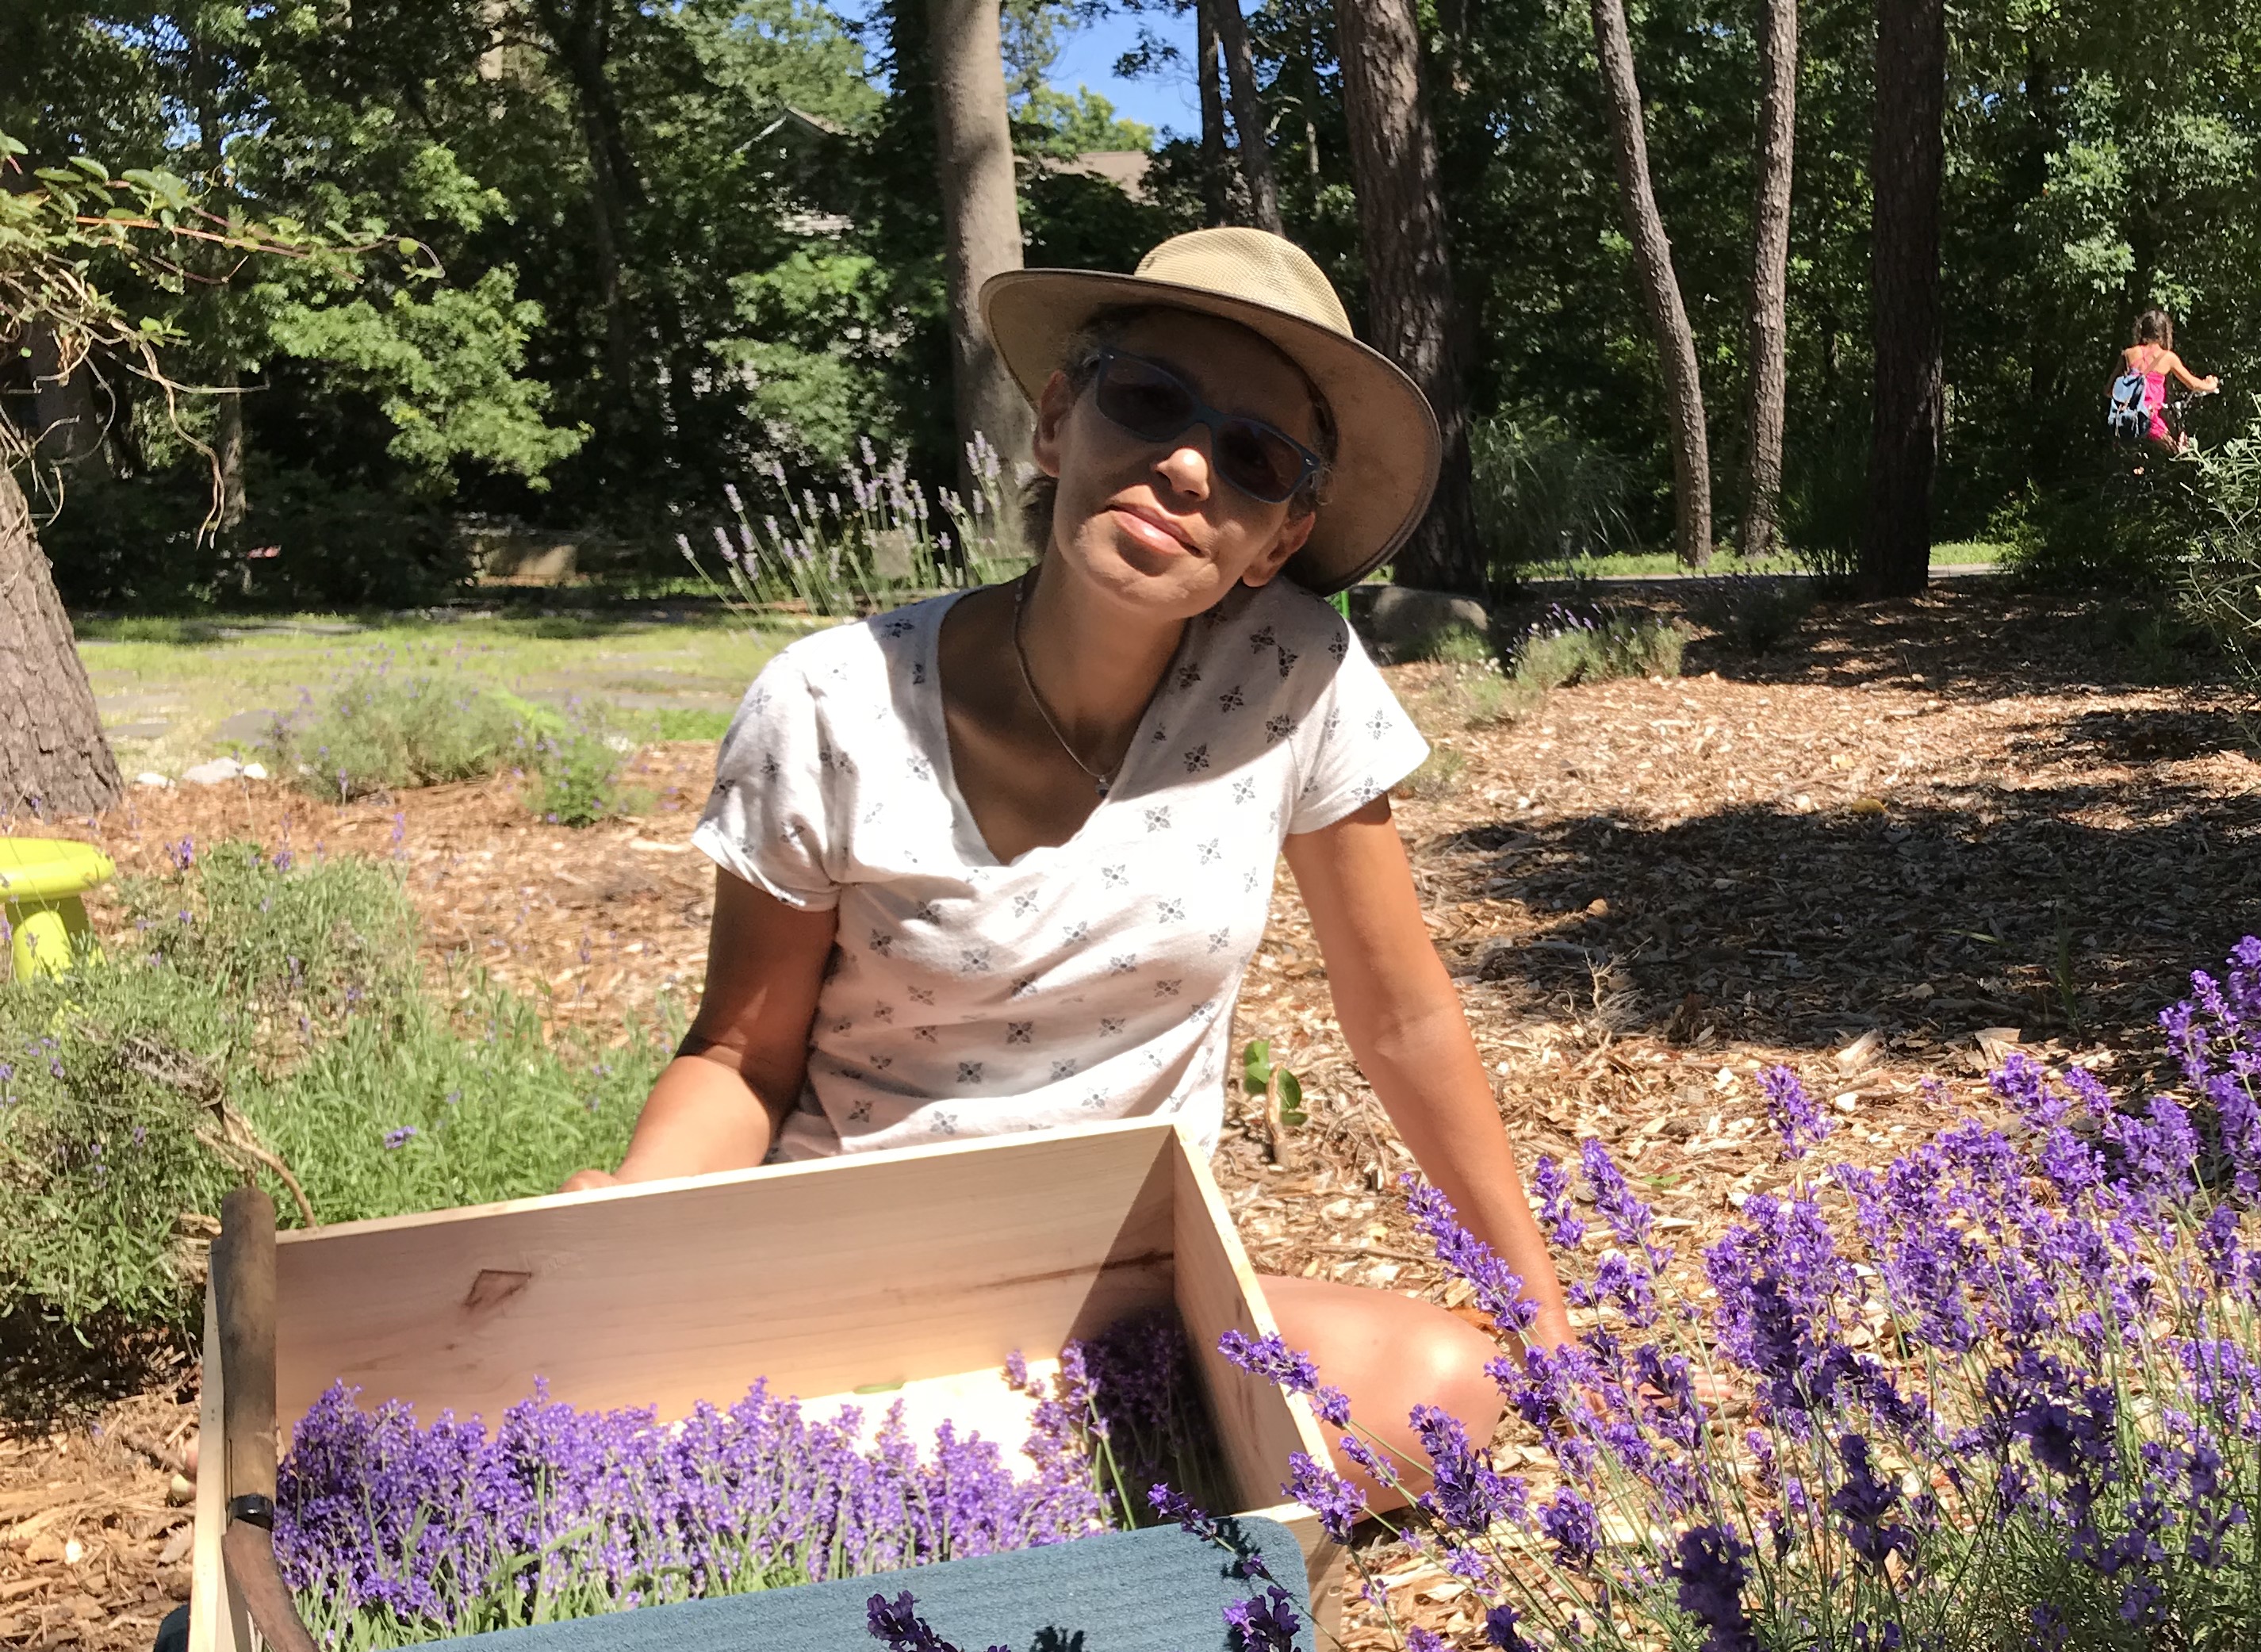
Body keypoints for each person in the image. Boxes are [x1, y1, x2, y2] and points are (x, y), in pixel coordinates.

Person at [573, 228, 1565, 1500]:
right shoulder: (829, 703)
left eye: (1258, 458)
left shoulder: (1294, 674)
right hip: (843, 1280)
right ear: (1057, 421)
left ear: (1280, 537)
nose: (1190, 465)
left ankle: (967, 1500)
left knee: (1448, 1391)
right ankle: (1018, 1500)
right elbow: (739, 1056)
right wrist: (629, 1221)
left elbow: (1405, 1014)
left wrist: (1538, 1311)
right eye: (1149, 401)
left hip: (1136, 1296)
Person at [2112, 309, 2220, 458]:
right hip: (2150, 421)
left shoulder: (2128, 354)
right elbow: (2193, 384)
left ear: (2142, 329)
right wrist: (2211, 384)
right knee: (2180, 456)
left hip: (2125, 419)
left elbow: (2109, 390)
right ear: (2165, 333)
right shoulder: (2168, 358)